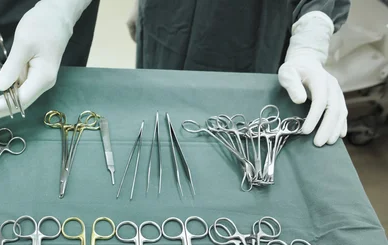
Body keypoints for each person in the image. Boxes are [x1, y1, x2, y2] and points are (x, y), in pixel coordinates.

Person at [126, 0, 351, 147]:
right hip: (167, 17)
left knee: (236, 136)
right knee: (159, 125)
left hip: (247, 29)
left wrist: (311, 41)